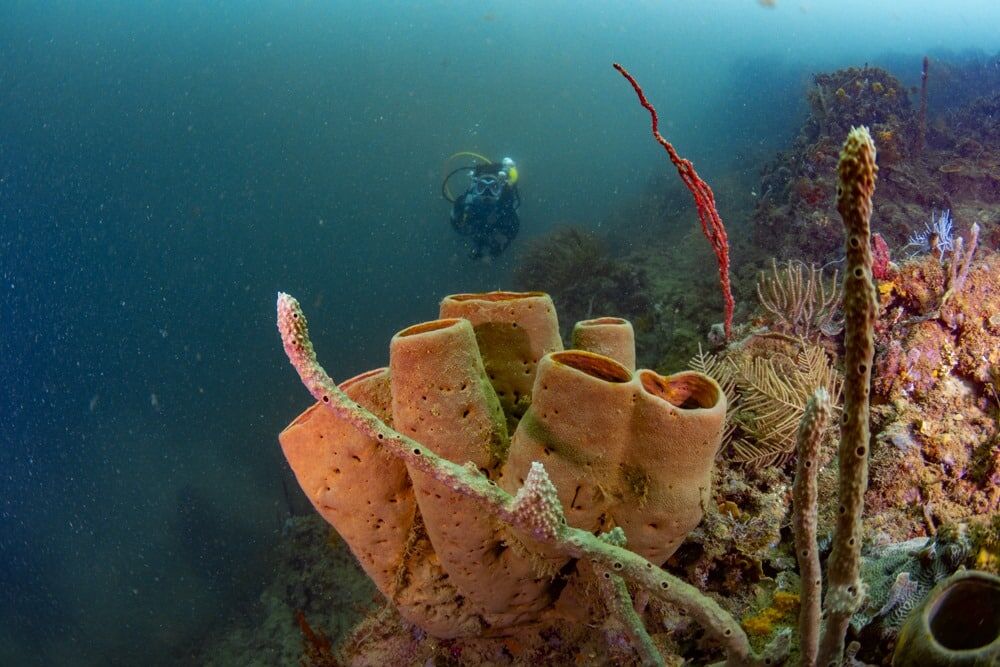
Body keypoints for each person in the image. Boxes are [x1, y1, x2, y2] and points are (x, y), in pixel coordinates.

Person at [442, 155, 520, 260]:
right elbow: (455, 222)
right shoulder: (466, 203)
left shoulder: (505, 205)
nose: (487, 193)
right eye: (481, 187)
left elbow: (513, 230)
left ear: (500, 188)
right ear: (475, 186)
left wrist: (498, 248)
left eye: (494, 187)